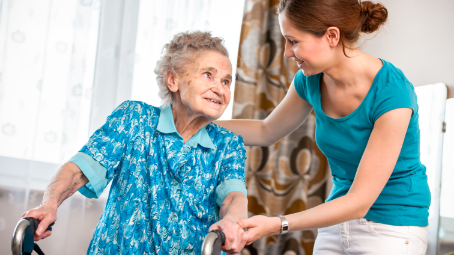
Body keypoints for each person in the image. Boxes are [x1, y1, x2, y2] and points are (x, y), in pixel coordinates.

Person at [216, 0, 430, 254]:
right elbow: (266, 130)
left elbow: (359, 201)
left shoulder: (392, 93)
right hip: (338, 219)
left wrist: (278, 224)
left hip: (393, 227)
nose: (286, 52)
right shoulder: (311, 80)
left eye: (293, 41)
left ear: (331, 35)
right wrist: (193, 124)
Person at [22, 31, 248, 254]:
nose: (221, 89)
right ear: (173, 80)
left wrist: (232, 222)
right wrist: (49, 203)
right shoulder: (134, 118)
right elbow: (78, 170)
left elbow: (233, 197)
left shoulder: (228, 144)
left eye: (226, 81)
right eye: (208, 75)